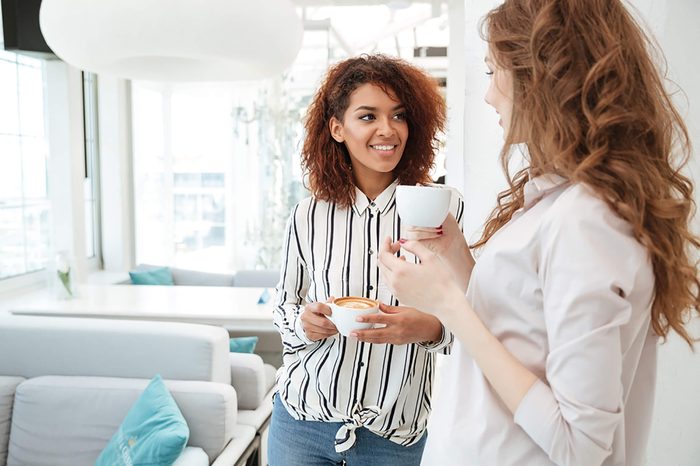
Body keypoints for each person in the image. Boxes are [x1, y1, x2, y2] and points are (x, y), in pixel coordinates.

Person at [378, 1, 700, 465]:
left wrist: (446, 302)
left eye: (494, 72)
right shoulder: (560, 202)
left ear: (542, 75)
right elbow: (523, 329)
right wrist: (457, 256)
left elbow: (580, 446)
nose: (489, 95)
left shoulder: (588, 221)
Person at [268, 54, 464, 466]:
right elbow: (284, 307)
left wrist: (426, 328)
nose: (387, 129)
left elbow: (473, 320)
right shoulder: (308, 215)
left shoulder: (443, 211)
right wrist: (305, 324)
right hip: (303, 422)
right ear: (337, 128)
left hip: (395, 434)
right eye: (368, 116)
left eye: (399, 115)